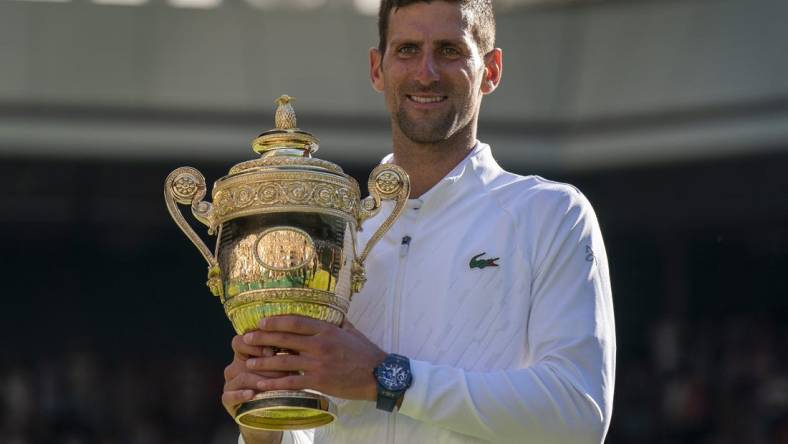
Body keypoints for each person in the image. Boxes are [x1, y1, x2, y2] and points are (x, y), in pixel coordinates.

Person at [223, 0, 616, 443]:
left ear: (491, 69)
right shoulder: (340, 235)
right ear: (377, 69)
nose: (426, 73)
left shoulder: (551, 214)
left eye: (449, 50)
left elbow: (579, 414)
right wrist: (264, 423)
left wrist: (386, 378)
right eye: (407, 49)